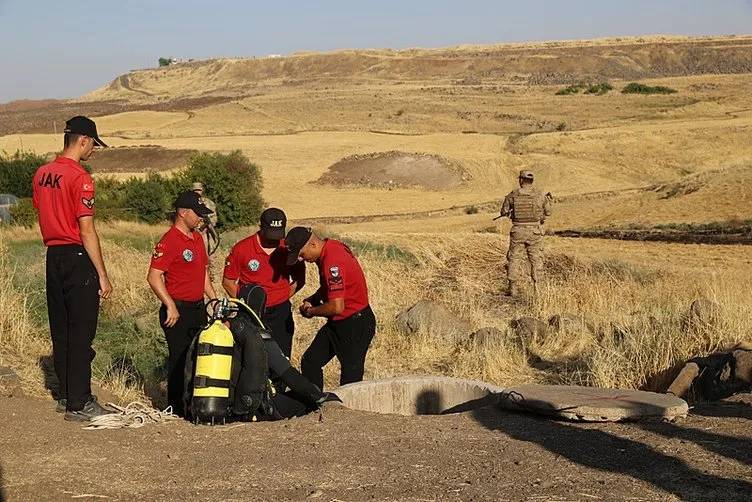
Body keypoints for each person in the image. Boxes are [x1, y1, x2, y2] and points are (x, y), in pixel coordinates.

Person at [32, 115, 114, 421]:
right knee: (81, 332)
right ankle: (80, 403)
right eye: (93, 144)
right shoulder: (80, 177)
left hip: (53, 256)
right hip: (78, 257)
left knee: (61, 329)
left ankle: (67, 394)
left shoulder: (42, 174)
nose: (93, 150)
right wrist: (102, 275)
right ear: (83, 140)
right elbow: (87, 230)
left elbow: (41, 210)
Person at [147, 190, 218, 417]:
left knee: (198, 355)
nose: (201, 218)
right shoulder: (169, 241)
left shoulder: (197, 239)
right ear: (182, 212)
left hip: (198, 307)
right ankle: (175, 407)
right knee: (179, 358)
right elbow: (154, 276)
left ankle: (194, 404)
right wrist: (170, 305)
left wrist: (214, 300)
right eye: (197, 214)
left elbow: (203, 274)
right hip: (177, 309)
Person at [284, 227, 376, 390]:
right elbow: (334, 287)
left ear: (312, 244)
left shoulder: (332, 260)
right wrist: (314, 298)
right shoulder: (331, 247)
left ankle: (348, 414)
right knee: (310, 361)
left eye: (300, 254)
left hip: (355, 323)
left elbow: (336, 306)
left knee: (350, 381)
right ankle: (316, 404)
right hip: (339, 323)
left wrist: (311, 312)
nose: (300, 259)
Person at [222, 208, 305, 358]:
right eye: (270, 235)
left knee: (282, 357)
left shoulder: (287, 248)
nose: (274, 240)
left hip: (280, 313)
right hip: (251, 314)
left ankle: (279, 382)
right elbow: (228, 281)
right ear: (261, 227)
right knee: (253, 357)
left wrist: (283, 296)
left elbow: (300, 279)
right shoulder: (242, 249)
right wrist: (248, 304)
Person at [499, 170, 552, 296]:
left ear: (521, 180)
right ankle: (538, 290)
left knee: (514, 258)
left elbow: (503, 211)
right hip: (535, 232)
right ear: (531, 181)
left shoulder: (513, 195)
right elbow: (548, 212)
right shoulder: (540, 195)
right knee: (536, 259)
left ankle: (513, 289)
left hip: (518, 231)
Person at [192, 182, 217, 254]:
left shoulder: (209, 203)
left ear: (202, 190)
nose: (197, 192)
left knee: (210, 253)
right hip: (193, 233)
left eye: (199, 190)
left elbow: (214, 219)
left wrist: (205, 226)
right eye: (195, 190)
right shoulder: (188, 203)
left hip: (207, 231)